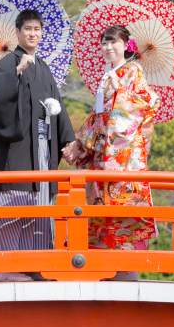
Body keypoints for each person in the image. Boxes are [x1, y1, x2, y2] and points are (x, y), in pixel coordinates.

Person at [62, 25, 161, 281]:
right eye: (104, 43)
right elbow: (98, 118)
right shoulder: (109, 75)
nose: (108, 48)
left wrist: (121, 92)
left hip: (123, 159)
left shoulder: (133, 71)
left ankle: (125, 270)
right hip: (103, 159)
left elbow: (144, 108)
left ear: (126, 45)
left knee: (122, 211)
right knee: (100, 210)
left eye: (113, 42)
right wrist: (79, 143)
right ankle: (103, 267)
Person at [0, 9, 77, 282]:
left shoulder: (44, 67)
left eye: (37, 29)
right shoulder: (7, 63)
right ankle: (8, 267)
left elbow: (57, 106)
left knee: (41, 202)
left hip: (43, 147)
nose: (32, 33)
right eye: (27, 29)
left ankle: (37, 264)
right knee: (17, 198)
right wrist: (15, 73)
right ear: (17, 32)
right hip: (19, 147)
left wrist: (68, 140)